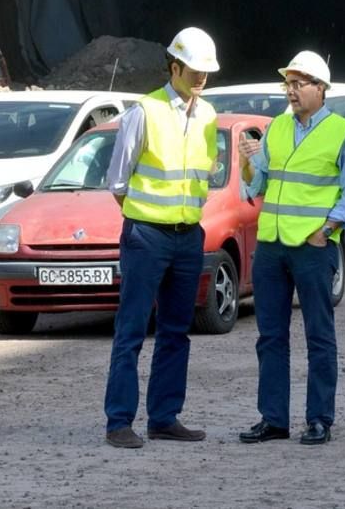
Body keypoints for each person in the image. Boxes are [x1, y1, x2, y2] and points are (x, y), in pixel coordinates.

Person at [238, 51, 345, 447]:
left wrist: (325, 231)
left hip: (312, 247)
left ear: (321, 89)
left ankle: (319, 419)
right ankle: (273, 419)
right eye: (288, 84)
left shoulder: (344, 132)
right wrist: (246, 165)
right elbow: (256, 186)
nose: (291, 91)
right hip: (272, 246)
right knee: (270, 337)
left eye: (299, 84)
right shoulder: (276, 128)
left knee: (318, 335)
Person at [103, 26, 220, 449]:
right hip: (148, 236)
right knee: (132, 329)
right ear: (174, 67)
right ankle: (119, 422)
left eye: (207, 72)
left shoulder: (207, 115)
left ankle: (164, 417)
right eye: (194, 71)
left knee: (175, 331)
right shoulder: (144, 111)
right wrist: (145, 220)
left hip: (188, 236)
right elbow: (118, 181)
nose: (201, 79)